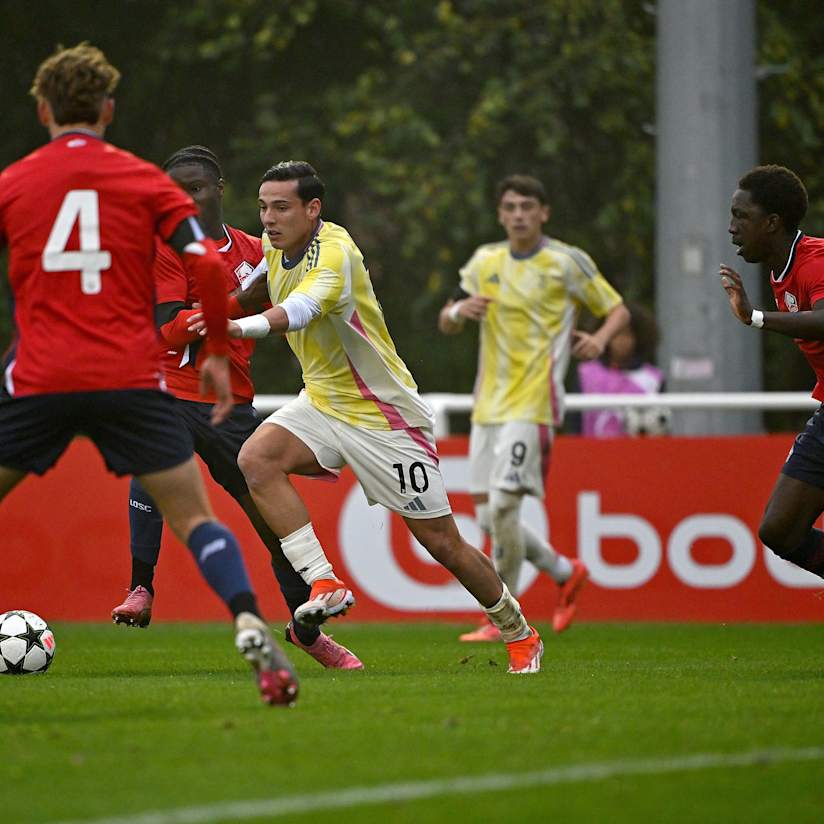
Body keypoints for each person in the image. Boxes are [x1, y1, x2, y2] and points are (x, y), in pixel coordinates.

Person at [0, 43, 297, 706]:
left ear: (43, 109)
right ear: (108, 109)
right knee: (195, 518)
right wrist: (218, 352)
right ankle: (250, 621)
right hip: (131, 376)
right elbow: (216, 269)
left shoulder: (13, 182)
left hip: (41, 374)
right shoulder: (146, 183)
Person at [190, 160, 544, 674]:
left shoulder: (335, 253)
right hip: (323, 400)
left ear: (313, 209)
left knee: (441, 542)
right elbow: (268, 283)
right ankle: (323, 579)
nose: (268, 218)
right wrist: (223, 304)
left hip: (384, 416)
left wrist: (229, 328)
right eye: (263, 206)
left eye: (281, 207)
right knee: (256, 458)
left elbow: (300, 309)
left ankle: (519, 631)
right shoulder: (276, 243)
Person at [111, 145, 362, 670]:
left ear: (219, 190)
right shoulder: (163, 250)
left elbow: (284, 303)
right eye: (175, 191)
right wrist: (214, 316)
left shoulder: (255, 249)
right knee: (154, 452)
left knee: (273, 527)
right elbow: (164, 324)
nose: (186, 199)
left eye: (196, 188)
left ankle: (306, 630)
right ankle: (141, 586)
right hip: (174, 387)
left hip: (230, 406)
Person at [438, 174, 630, 640]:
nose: (519, 215)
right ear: (500, 214)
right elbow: (448, 318)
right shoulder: (486, 261)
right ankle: (565, 571)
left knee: (503, 508)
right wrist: (456, 314)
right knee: (487, 518)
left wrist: (600, 339)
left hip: (535, 402)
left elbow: (617, 309)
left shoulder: (566, 262)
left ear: (543, 212)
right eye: (510, 207)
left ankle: (504, 617)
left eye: (527, 206)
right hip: (488, 405)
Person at [719, 163, 824, 581]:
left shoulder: (814, 261)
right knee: (780, 530)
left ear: (772, 222)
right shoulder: (782, 266)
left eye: (741, 217)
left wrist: (756, 317)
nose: (732, 228)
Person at [577, 302, 669, 438]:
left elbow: (661, 423)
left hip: (636, 454)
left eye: (627, 335)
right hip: (592, 452)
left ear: (639, 338)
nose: (621, 341)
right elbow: (575, 421)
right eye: (616, 335)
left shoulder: (653, 378)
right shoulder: (586, 373)